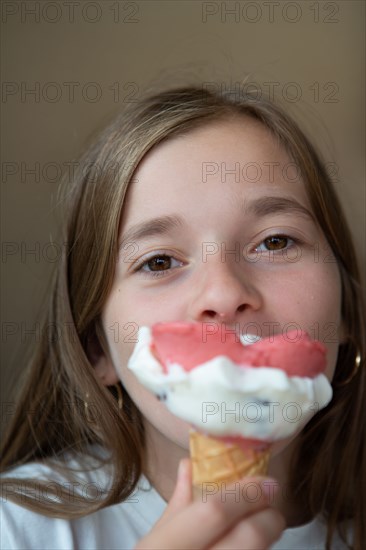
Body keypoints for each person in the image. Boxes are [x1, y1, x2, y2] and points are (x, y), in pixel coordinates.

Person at [1, 85, 364, 550]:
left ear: (347, 311)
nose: (224, 293)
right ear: (97, 349)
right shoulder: (15, 529)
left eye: (275, 241)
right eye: (158, 262)